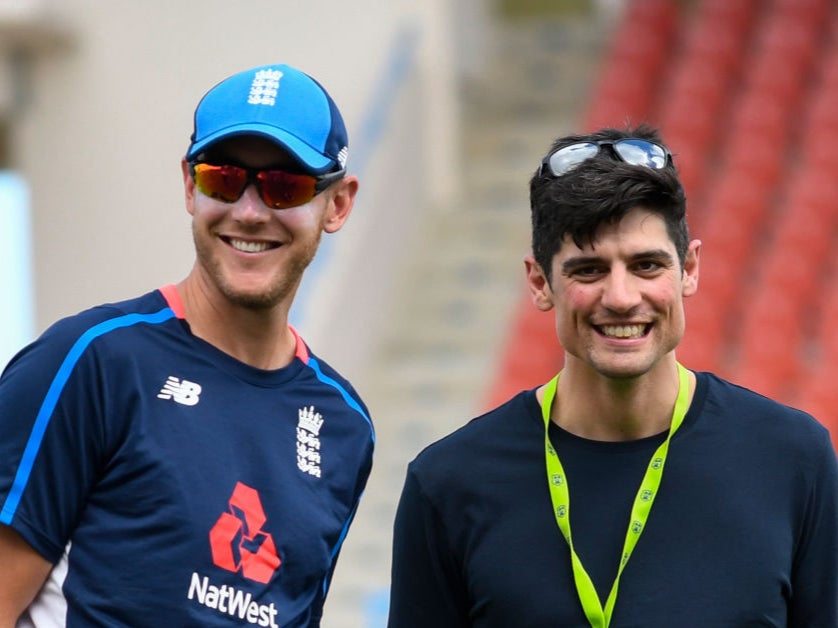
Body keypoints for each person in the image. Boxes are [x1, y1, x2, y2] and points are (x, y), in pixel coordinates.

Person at [388, 125, 838, 627]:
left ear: (689, 269)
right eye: (588, 270)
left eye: (646, 265)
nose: (621, 297)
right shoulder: (449, 483)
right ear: (540, 282)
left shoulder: (793, 458)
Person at [0, 63, 374, 626]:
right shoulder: (91, 362)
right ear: (188, 186)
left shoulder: (345, 426)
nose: (249, 211)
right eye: (222, 178)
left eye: (283, 185)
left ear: (337, 204)